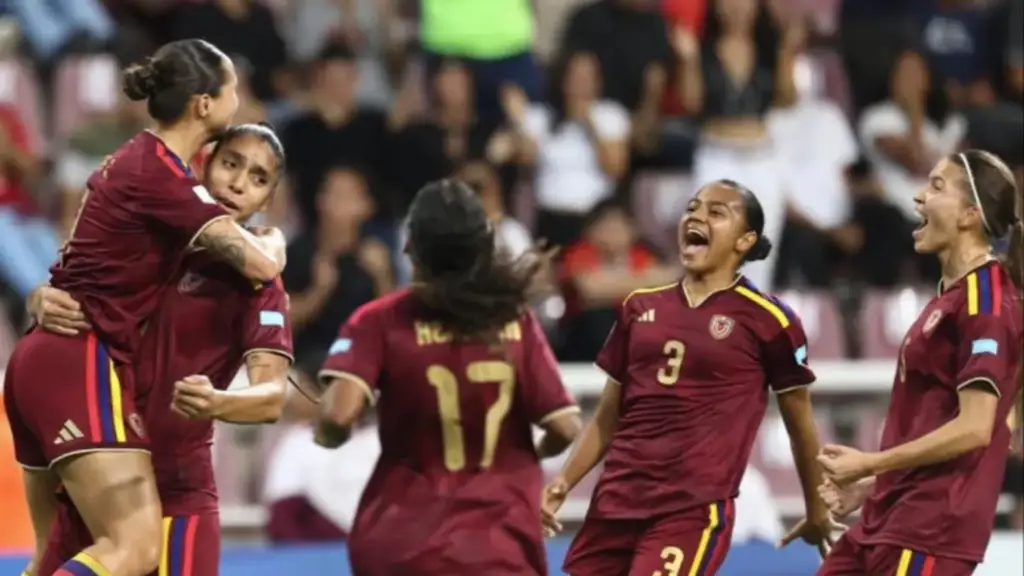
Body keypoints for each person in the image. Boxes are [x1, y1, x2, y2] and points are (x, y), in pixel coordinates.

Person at [2, 40, 288, 576]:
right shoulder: (165, 179)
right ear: (205, 105)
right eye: (230, 164)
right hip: (79, 368)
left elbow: (271, 390)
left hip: (55, 368)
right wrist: (275, 244)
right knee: (132, 549)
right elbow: (258, 262)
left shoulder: (149, 186)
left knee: (48, 560)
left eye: (258, 178)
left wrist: (39, 296)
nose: (237, 182)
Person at [545, 179, 838, 576]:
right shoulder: (639, 307)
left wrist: (816, 508)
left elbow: (800, 425)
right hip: (615, 503)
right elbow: (608, 416)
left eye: (717, 212)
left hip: (690, 511)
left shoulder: (771, 320)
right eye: (693, 208)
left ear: (744, 241)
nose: (697, 216)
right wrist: (562, 483)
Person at [314, 179, 583, 575]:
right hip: (499, 546)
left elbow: (338, 418)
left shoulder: (379, 320)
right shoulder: (514, 321)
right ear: (483, 248)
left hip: (401, 545)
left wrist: (325, 430)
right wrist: (522, 461)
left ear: (411, 247)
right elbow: (564, 425)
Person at [816, 149, 1024, 576]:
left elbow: (975, 427)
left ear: (969, 214)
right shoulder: (951, 297)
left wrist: (869, 463)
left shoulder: (987, 303)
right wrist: (874, 485)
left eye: (936, 186)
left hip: (931, 530)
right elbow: (933, 421)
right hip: (888, 518)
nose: (918, 196)